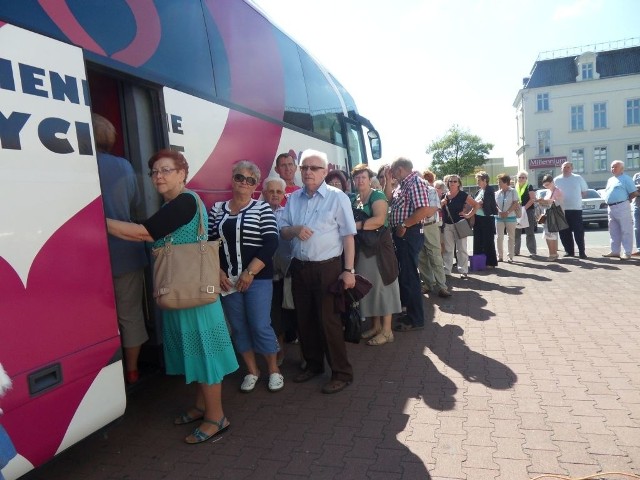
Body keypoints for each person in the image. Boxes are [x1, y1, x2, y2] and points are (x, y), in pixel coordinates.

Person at [106, 149, 238, 444]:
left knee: (205, 355)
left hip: (193, 295)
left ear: (182, 173)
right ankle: (202, 405)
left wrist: (97, 221)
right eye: (154, 172)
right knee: (195, 351)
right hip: (185, 291)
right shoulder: (176, 204)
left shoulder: (185, 202)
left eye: (166, 170)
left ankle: (217, 417)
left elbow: (143, 233)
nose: (158, 176)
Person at [280, 149, 357, 394]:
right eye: (305, 168)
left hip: (328, 269)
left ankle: (342, 373)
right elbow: (282, 229)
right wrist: (295, 229)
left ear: (324, 172)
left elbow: (348, 236)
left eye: (314, 168)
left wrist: (349, 270)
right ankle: (313, 365)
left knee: (329, 322)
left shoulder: (337, 197)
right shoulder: (293, 198)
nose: (308, 172)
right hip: (300, 267)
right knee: (305, 320)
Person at [209, 161, 283, 393]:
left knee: (260, 325)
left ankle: (273, 370)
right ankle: (252, 370)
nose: (244, 182)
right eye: (240, 177)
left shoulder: (262, 209)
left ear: (256, 186)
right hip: (227, 279)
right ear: (232, 179)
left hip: (258, 278)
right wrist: (218, 271)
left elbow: (272, 242)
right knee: (239, 327)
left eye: (250, 180)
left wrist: (249, 272)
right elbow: (210, 244)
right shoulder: (217, 209)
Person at [92, 113, 149, 385]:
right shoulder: (125, 166)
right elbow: (136, 203)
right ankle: (133, 370)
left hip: (91, 256)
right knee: (130, 314)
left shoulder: (85, 165)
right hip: (127, 252)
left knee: (98, 317)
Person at [384, 157, 437, 332]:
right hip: (403, 234)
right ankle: (411, 314)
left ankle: (416, 318)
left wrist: (404, 224)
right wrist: (387, 180)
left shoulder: (415, 182)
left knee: (410, 277)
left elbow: (423, 209)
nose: (392, 174)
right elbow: (389, 200)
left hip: (409, 234)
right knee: (406, 275)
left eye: (392, 171)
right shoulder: (404, 184)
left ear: (399, 170)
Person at [351, 163, 401, 346]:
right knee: (369, 288)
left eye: (363, 177)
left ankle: (387, 331)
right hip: (363, 249)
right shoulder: (355, 199)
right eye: (357, 178)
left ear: (369, 179)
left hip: (380, 250)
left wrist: (355, 226)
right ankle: (376, 326)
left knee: (384, 287)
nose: (360, 180)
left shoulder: (377, 195)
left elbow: (379, 220)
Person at [264, 176, 297, 365]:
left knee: (290, 313)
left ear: (284, 194)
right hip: (266, 274)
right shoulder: (256, 212)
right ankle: (278, 351)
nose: (275, 195)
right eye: (271, 191)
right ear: (264, 193)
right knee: (274, 315)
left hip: (287, 272)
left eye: (279, 191)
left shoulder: (288, 214)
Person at [418, 171, 451, 297]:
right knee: (422, 257)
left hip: (429, 226)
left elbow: (431, 211)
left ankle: (442, 286)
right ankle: (428, 284)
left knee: (435, 256)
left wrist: (416, 215)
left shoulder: (430, 190)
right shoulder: (411, 191)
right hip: (417, 227)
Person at [440, 174, 478, 276]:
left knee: (461, 249)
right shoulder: (444, 195)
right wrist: (441, 203)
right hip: (447, 225)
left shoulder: (462, 195)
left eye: (455, 181)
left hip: (460, 223)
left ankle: (463, 271)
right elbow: (438, 209)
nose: (452, 183)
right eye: (450, 181)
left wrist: (468, 215)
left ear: (458, 183)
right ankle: (447, 270)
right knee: (448, 249)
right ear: (447, 183)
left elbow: (476, 205)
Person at [601, 160, 638, 260]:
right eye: (612, 167)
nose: (613, 169)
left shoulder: (626, 179)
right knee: (613, 230)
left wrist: (626, 200)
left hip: (622, 206)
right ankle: (615, 251)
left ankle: (627, 252)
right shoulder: (611, 180)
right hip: (611, 207)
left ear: (622, 168)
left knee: (626, 230)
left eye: (615, 167)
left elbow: (634, 193)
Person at [554, 161, 588, 259]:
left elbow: (584, 192)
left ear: (572, 168)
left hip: (575, 209)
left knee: (578, 232)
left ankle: (582, 252)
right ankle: (569, 251)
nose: (566, 169)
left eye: (568, 167)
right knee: (564, 232)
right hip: (561, 209)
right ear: (561, 169)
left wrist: (575, 198)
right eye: (564, 167)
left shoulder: (578, 178)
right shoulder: (557, 180)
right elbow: (553, 193)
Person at [472, 171, 498, 268]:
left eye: (479, 180)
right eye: (477, 180)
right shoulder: (479, 191)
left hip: (487, 218)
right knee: (478, 240)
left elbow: (486, 203)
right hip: (478, 218)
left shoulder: (489, 190)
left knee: (488, 240)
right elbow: (476, 203)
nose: (477, 182)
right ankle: (479, 262)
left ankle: (490, 262)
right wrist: (477, 203)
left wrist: (479, 203)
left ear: (485, 180)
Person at [537, 174, 564, 261]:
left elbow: (557, 203)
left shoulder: (557, 191)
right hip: (547, 215)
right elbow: (548, 203)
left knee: (551, 235)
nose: (546, 187)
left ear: (552, 182)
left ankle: (553, 254)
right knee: (548, 234)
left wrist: (544, 201)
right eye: (545, 185)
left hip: (554, 215)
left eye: (548, 184)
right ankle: (552, 253)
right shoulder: (548, 191)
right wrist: (542, 202)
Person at [495, 173, 520, 263]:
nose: (499, 184)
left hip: (511, 217)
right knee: (499, 237)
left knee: (511, 237)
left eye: (500, 182)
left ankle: (510, 256)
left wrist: (507, 212)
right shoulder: (497, 193)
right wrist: (499, 211)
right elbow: (495, 204)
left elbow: (515, 203)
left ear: (506, 182)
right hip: (499, 217)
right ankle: (500, 256)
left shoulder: (513, 191)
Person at [514, 170, 537, 257]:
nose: (521, 179)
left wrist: (524, 208)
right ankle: (516, 251)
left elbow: (532, 199)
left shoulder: (529, 186)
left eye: (523, 177)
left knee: (529, 232)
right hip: (517, 211)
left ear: (526, 178)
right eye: (519, 177)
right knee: (517, 231)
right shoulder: (515, 187)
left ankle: (532, 252)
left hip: (528, 211)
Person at [633, 171, 640, 256]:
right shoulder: (637, 175)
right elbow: (632, 189)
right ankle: (639, 249)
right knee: (637, 228)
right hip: (637, 206)